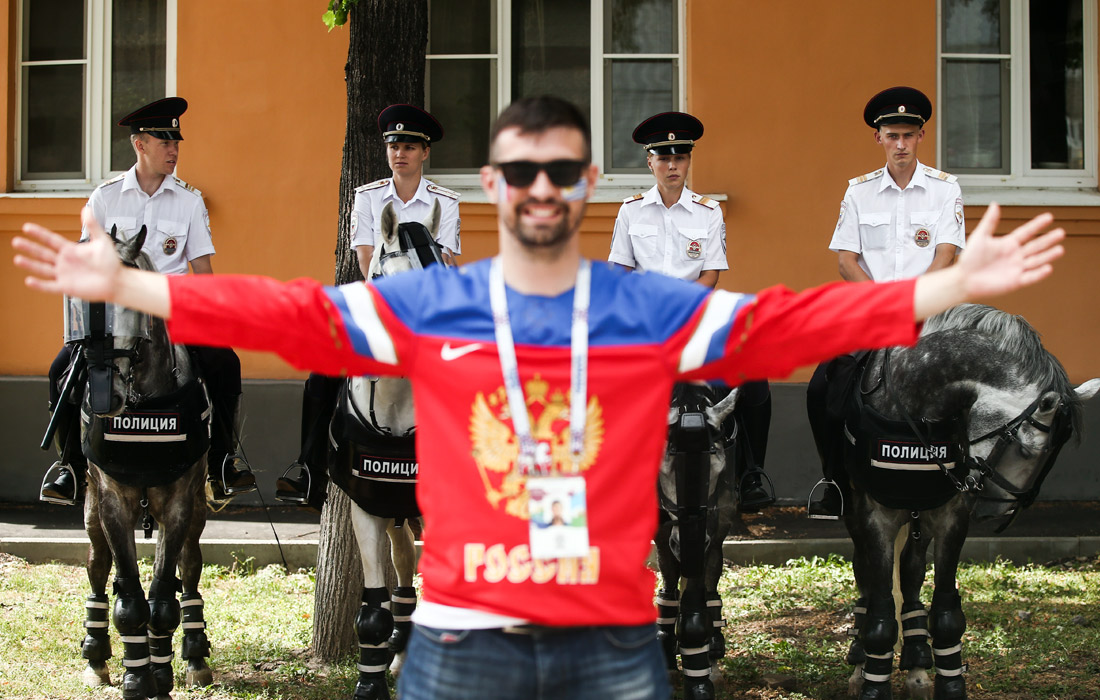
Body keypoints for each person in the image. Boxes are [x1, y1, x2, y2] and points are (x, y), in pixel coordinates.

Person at [15, 96, 1063, 700]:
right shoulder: (431, 304)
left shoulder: (643, 308)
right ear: (490, 181)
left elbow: (780, 326)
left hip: (608, 644)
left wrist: (946, 291)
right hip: (460, 642)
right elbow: (291, 317)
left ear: (587, 177)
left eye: (560, 169)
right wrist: (127, 287)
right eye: (520, 170)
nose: (540, 188)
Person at [39, 97, 255, 505]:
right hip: (116, 316)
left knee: (226, 362)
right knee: (60, 368)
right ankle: (68, 467)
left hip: (171, 313)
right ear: (140, 144)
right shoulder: (104, 198)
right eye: (165, 142)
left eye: (177, 143)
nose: (174, 151)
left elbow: (202, 270)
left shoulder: (189, 201)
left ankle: (223, 462)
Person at [276, 104, 460, 507]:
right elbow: (364, 260)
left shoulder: (444, 202)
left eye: (410, 146)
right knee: (321, 373)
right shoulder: (368, 198)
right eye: (394, 146)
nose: (400, 153)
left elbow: (444, 263)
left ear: (424, 153)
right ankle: (310, 469)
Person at [806, 86, 965, 519]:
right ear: (878, 137)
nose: (900, 144)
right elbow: (846, 261)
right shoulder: (859, 192)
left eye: (908, 135)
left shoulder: (944, 190)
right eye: (892, 135)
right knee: (824, 386)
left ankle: (969, 483)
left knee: (974, 391)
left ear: (921, 136)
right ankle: (834, 481)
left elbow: (946, 256)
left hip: (931, 317)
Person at [609, 111, 774, 510]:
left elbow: (711, 273)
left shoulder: (708, 211)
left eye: (680, 158)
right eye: (663, 158)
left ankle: (752, 473)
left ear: (688, 161)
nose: (672, 166)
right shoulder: (630, 211)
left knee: (754, 371)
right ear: (650, 162)